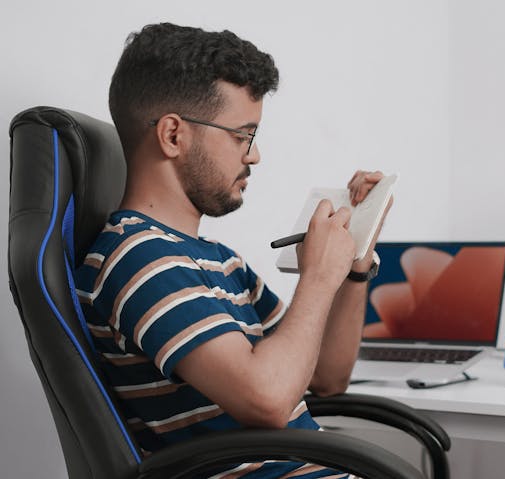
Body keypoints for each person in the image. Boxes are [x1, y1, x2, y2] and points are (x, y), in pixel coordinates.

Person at [74, 23, 388, 478]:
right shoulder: (139, 258)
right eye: (242, 135)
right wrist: (318, 277)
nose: (254, 156)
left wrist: (353, 266)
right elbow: (267, 401)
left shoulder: (218, 260)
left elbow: (326, 376)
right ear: (173, 136)